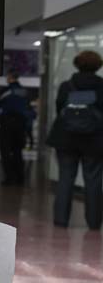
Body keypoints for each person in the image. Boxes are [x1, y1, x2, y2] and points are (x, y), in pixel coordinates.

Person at [46, 50, 103, 230]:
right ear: (98, 66)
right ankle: (94, 223)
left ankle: (61, 220)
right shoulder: (101, 86)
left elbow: (59, 109)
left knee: (65, 179)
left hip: (66, 138)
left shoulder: (66, 85)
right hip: (94, 140)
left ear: (77, 64)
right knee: (93, 181)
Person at [0, 70, 33, 185]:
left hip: (7, 124)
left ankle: (9, 177)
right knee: (18, 151)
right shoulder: (24, 91)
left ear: (10, 77)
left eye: (7, 76)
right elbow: (28, 107)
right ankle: (20, 177)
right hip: (21, 124)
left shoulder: (6, 91)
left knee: (5, 151)